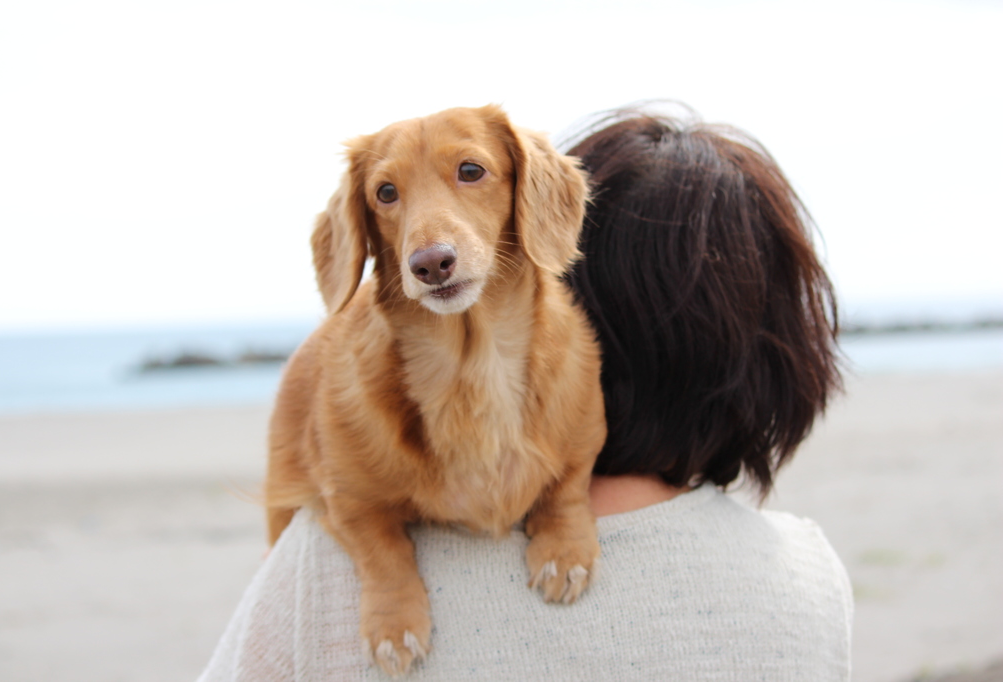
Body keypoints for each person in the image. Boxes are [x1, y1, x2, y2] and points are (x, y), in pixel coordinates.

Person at [198, 108, 851, 681]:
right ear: (779, 352)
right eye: (391, 194)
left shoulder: (315, 571)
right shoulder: (812, 581)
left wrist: (279, 582)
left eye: (473, 176)